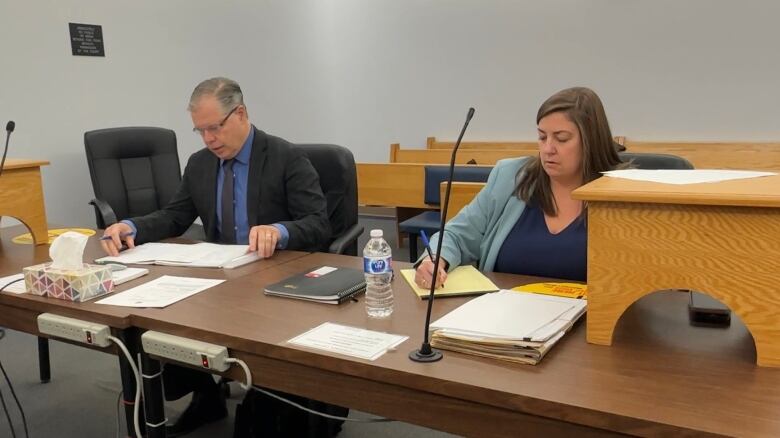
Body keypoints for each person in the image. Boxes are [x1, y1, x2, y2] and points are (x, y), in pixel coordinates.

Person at [100, 77, 332, 436]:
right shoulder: (200, 164)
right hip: (219, 277)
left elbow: (319, 224)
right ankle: (205, 395)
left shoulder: (286, 157)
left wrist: (280, 231)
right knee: (159, 316)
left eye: (214, 128)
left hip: (274, 278)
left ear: (240, 113)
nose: (208, 139)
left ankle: (270, 404)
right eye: (200, 131)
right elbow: (175, 216)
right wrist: (131, 226)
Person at [415, 87, 626, 288]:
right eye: (542, 137)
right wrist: (435, 260)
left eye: (561, 139)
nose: (547, 149)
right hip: (506, 315)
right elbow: (456, 235)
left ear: (590, 141)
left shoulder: (621, 192)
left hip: (589, 319)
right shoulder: (511, 177)